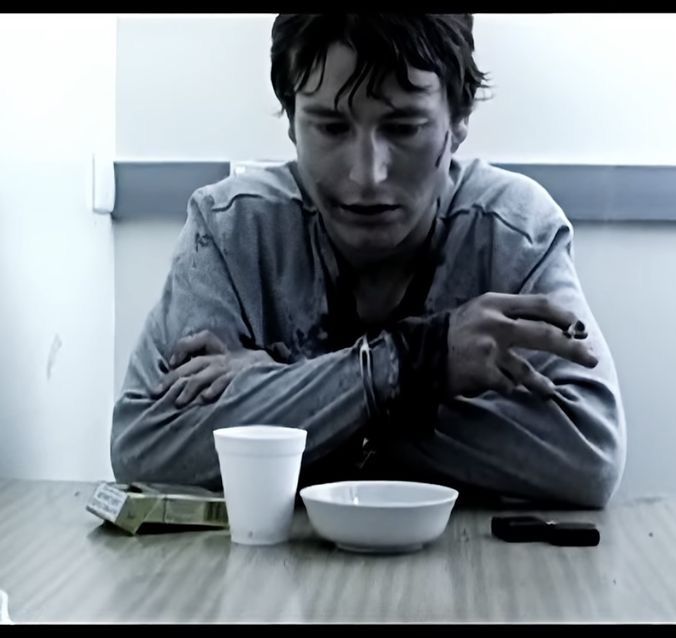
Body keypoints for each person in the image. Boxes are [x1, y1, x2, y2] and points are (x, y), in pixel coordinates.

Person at [111, 14, 626, 508]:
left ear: (459, 120)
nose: (367, 175)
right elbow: (148, 448)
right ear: (291, 121)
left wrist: (295, 392)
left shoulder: (513, 231)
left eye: (403, 128)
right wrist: (416, 361)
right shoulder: (231, 231)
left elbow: (587, 453)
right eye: (331, 127)